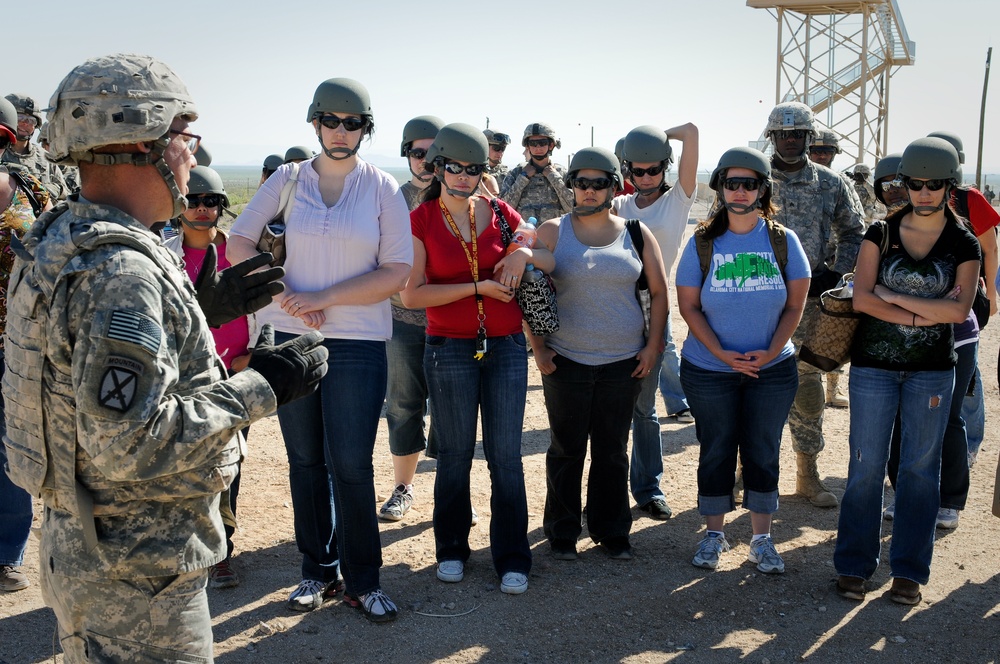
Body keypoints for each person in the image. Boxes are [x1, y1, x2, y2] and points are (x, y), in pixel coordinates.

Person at [2, 53, 325, 662]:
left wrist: (195, 313)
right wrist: (262, 386)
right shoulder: (121, 271)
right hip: (138, 572)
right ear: (138, 143)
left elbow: (77, 380)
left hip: (86, 551)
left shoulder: (57, 238)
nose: (192, 156)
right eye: (182, 135)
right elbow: (130, 442)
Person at [228, 77, 412, 622]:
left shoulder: (382, 188)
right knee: (305, 459)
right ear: (314, 123)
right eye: (330, 120)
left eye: (352, 122)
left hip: (357, 342)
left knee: (351, 463)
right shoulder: (287, 180)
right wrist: (286, 296)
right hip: (289, 338)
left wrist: (322, 297)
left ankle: (364, 581)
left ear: (365, 128)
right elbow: (239, 240)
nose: (340, 130)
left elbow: (398, 271)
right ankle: (317, 572)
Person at [834, 137, 980, 605]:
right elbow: (860, 298)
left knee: (919, 471)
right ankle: (854, 566)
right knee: (864, 467)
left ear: (948, 187)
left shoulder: (964, 242)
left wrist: (892, 298)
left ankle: (909, 573)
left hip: (932, 371)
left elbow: (959, 314)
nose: (922, 192)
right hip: (873, 368)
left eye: (933, 184)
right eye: (914, 183)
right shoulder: (880, 232)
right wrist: (926, 311)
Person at [401, 123, 545, 594]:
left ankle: (511, 557)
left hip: (504, 348)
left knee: (506, 458)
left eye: (473, 169)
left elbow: (537, 241)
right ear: (438, 167)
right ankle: (451, 550)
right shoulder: (421, 220)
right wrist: (479, 286)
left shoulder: (502, 213)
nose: (463, 177)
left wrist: (522, 251)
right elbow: (413, 296)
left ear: (485, 170)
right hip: (448, 350)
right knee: (456, 457)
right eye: (453, 168)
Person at [529, 147, 668, 561]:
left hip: (623, 361)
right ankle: (562, 531)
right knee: (566, 450)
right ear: (571, 185)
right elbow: (529, 291)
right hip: (566, 360)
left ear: (613, 185)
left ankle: (611, 531)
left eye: (599, 183)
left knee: (611, 451)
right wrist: (539, 349)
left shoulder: (637, 233)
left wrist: (652, 347)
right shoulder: (553, 231)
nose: (589, 191)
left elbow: (659, 293)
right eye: (581, 183)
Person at [677, 147, 810, 574]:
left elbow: (795, 306)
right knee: (716, 450)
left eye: (748, 183)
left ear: (762, 189)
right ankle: (714, 536)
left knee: (762, 449)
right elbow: (689, 308)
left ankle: (761, 539)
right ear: (719, 188)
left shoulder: (782, 241)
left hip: (771, 371)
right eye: (731, 183)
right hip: (710, 369)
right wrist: (722, 354)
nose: (739, 191)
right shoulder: (702, 242)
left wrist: (771, 351)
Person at [765, 101, 865, 508]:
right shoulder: (749, 179)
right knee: (751, 388)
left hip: (810, 307)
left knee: (807, 391)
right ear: (773, 137)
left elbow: (855, 232)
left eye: (798, 134)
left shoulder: (830, 184)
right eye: (783, 134)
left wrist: (835, 274)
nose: (790, 141)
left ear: (809, 137)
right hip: (757, 304)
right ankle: (743, 471)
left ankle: (808, 475)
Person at [164, 166, 251, 588]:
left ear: (222, 207)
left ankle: (221, 551)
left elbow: (264, 306)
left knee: (227, 467)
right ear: (179, 205)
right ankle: (183, 549)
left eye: (211, 201)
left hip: (233, 377)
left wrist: (255, 353)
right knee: (181, 467)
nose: (201, 209)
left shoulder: (238, 251)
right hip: (180, 382)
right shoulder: (162, 254)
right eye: (193, 201)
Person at [614, 122, 699, 520]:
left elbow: (693, 131)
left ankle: (648, 489)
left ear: (666, 166)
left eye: (654, 169)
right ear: (626, 170)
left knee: (644, 411)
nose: (645, 178)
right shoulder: (619, 206)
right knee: (606, 409)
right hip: (613, 307)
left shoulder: (678, 200)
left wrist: (656, 133)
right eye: (637, 170)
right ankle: (605, 491)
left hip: (654, 308)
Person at [379, 114, 445, 523]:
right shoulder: (388, 198)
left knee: (453, 410)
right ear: (407, 154)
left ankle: (452, 492)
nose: (425, 161)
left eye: (434, 153)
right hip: (401, 321)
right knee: (403, 406)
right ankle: (403, 488)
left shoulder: (461, 195)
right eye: (417, 153)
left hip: (450, 321)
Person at [0, 96, 51, 594]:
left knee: (10, 449)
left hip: (13, 340)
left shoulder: (30, 189)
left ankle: (5, 555)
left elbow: (55, 255)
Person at [500, 122, 575, 221]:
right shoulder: (516, 174)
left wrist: (554, 178)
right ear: (527, 146)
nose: (538, 147)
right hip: (523, 235)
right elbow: (504, 210)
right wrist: (523, 178)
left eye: (543, 143)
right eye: (533, 144)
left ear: (551, 145)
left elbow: (573, 208)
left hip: (555, 235)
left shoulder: (562, 174)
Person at [1, 93, 69, 200]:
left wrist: (46, 190)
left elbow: (64, 192)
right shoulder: (1, 151)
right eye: (20, 118)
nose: (25, 124)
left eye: (31, 120)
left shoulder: (45, 157)